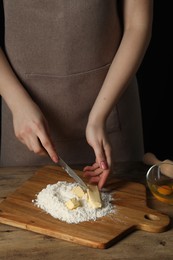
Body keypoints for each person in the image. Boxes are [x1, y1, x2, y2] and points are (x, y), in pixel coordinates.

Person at [0, 1, 153, 189]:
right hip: (23, 119)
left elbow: (137, 25)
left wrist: (98, 117)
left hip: (112, 114)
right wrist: (17, 102)